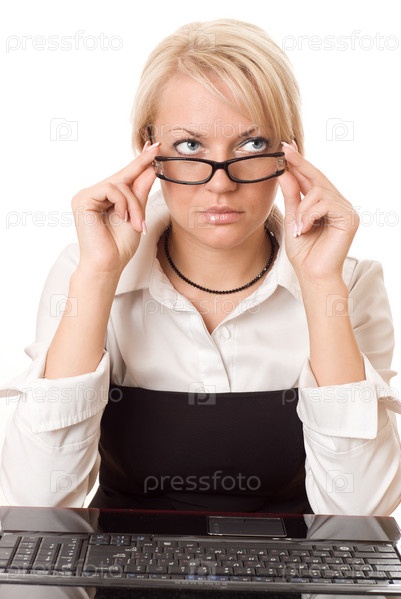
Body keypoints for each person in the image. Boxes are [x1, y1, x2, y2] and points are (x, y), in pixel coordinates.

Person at [0, 18, 400, 515]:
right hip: (122, 557)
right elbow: (36, 503)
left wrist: (321, 287)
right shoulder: (90, 269)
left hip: (296, 560)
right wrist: (97, 277)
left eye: (252, 145)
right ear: (149, 152)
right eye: (190, 146)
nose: (220, 184)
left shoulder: (348, 283)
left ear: (289, 153)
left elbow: (361, 515)